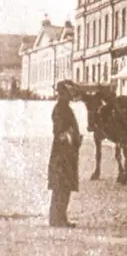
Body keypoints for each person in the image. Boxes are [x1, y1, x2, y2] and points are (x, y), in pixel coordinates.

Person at [48, 82, 83, 228]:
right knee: (60, 186)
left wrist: (76, 137)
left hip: (68, 153)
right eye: (68, 93)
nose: (71, 96)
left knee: (65, 186)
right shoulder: (60, 110)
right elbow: (59, 132)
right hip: (62, 153)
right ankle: (56, 219)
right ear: (62, 94)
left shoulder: (65, 109)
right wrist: (71, 136)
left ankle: (61, 217)